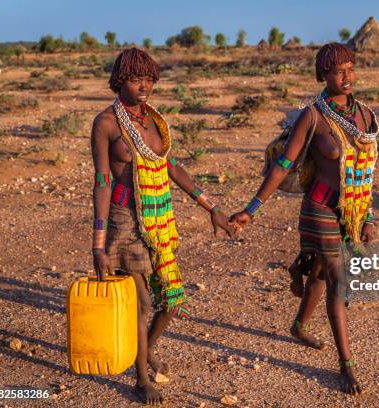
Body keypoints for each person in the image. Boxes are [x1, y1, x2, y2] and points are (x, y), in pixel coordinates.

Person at [229, 42, 379, 395]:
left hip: (352, 213)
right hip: (320, 209)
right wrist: (251, 209)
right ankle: (346, 366)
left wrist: (368, 217)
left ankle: (298, 326)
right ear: (323, 75)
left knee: (319, 274)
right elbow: (283, 166)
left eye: (351, 69)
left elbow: (368, 173)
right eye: (338, 71)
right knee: (337, 281)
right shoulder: (313, 117)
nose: (347, 77)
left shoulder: (366, 116)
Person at [90, 47, 234, 405]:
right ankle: (140, 379)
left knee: (171, 300)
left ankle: (145, 349)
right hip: (125, 222)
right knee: (141, 304)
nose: (145, 86)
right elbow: (102, 181)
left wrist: (210, 207)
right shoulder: (106, 123)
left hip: (160, 221)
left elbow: (170, 167)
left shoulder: (153, 119)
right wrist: (98, 242)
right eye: (137, 79)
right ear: (120, 80)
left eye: (150, 79)